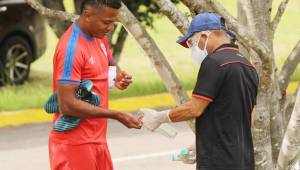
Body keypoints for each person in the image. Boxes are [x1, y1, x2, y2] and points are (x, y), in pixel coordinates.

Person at [140, 12, 259, 170]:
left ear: (204, 36)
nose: (192, 48)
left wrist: (159, 117)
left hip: (218, 162)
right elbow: (248, 117)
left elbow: (194, 109)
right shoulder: (248, 66)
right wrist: (202, 145)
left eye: (191, 42)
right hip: (243, 160)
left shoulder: (214, 62)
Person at [49, 0, 142, 170]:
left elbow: (107, 61)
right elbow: (67, 105)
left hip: (97, 139)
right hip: (74, 145)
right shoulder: (71, 49)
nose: (110, 28)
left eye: (113, 22)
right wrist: (117, 115)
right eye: (106, 22)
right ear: (88, 14)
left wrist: (117, 75)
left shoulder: (99, 36)